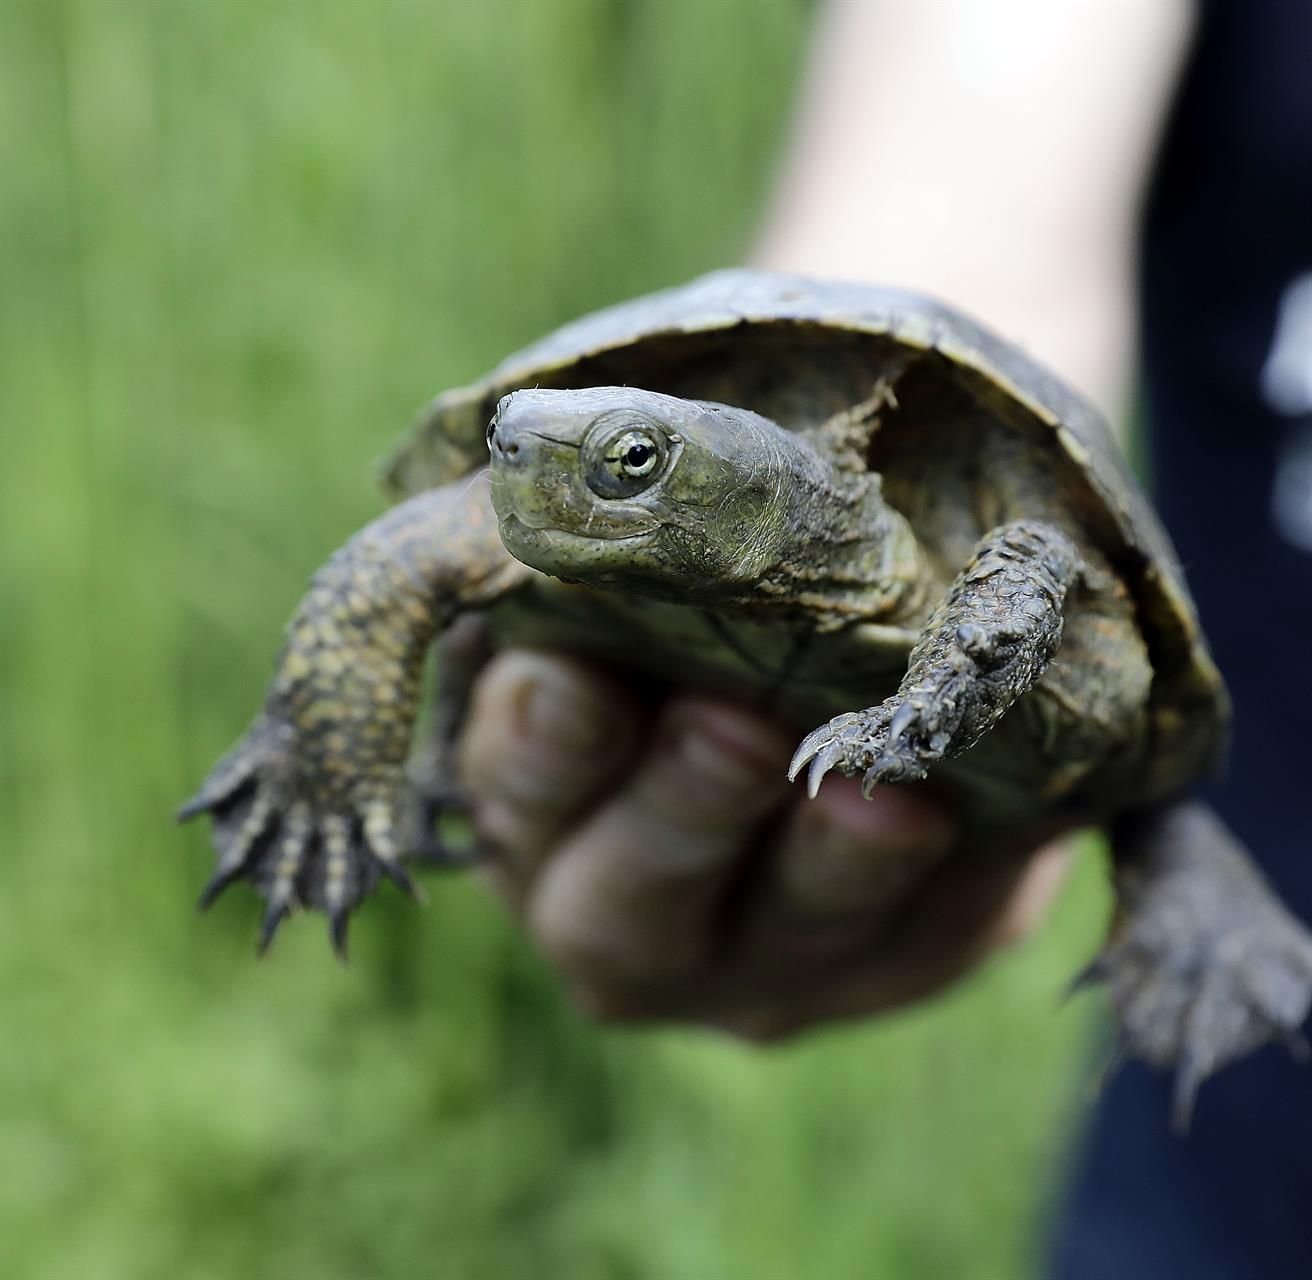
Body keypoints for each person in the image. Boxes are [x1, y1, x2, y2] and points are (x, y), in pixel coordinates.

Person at [458, 1, 1312, 1274]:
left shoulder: (977, 552)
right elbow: (965, 192)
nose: (526, 470)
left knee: (1173, 831)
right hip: (1218, 1195)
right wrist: (332, 733)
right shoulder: (804, 484)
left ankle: (1173, 848)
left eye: (628, 463)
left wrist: (928, 712)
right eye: (513, 451)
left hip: (1236, 881)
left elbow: (1033, 559)